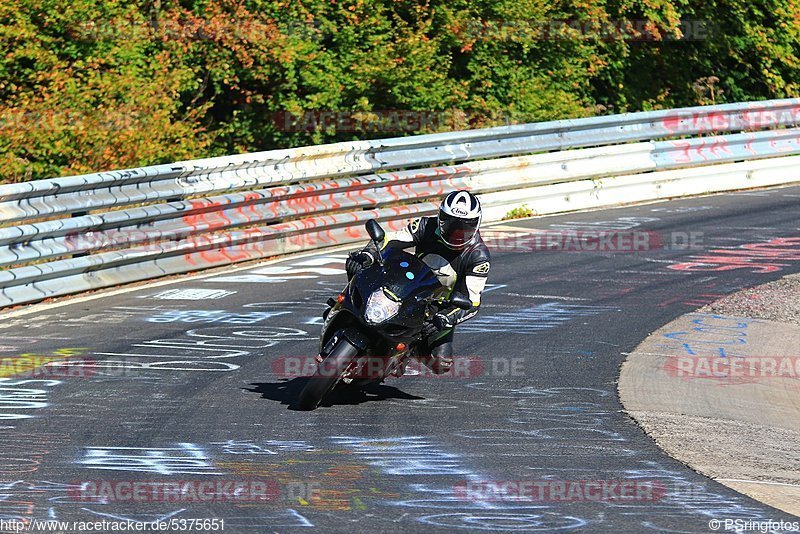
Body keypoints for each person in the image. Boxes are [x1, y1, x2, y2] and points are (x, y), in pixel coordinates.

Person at [345, 190, 491, 374]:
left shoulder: (479, 257)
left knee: (441, 363)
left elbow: (472, 303)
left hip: (437, 306)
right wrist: (368, 255)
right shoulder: (425, 225)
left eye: (464, 228)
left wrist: (444, 318)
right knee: (357, 265)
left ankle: (408, 351)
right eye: (451, 224)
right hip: (406, 287)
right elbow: (390, 240)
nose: (456, 233)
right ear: (440, 218)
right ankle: (342, 306)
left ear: (476, 224)